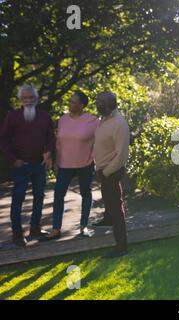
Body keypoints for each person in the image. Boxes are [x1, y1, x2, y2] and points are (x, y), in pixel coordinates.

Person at [0, 84, 54, 246]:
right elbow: (3, 140)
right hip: (20, 164)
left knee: (39, 196)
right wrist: (13, 159)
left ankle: (35, 228)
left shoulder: (44, 116)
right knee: (18, 198)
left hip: (39, 164)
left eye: (31, 98)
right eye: (25, 98)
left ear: (36, 99)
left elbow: (51, 137)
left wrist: (48, 151)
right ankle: (17, 234)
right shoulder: (12, 116)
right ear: (20, 99)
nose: (28, 100)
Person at [42, 91, 99, 241]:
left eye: (73, 102)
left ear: (81, 105)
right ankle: (56, 229)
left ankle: (83, 226)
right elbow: (58, 143)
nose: (70, 103)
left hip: (85, 164)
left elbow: (99, 141)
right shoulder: (63, 120)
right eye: (70, 101)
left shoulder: (93, 121)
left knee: (86, 194)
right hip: (64, 164)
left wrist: (94, 158)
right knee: (58, 194)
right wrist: (55, 162)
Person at [93, 92, 130, 258]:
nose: (97, 104)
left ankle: (121, 247)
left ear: (110, 104)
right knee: (108, 200)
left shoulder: (118, 123)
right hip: (104, 169)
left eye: (100, 102)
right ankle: (107, 218)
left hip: (112, 170)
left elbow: (121, 154)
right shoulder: (104, 119)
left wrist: (106, 172)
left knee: (116, 208)